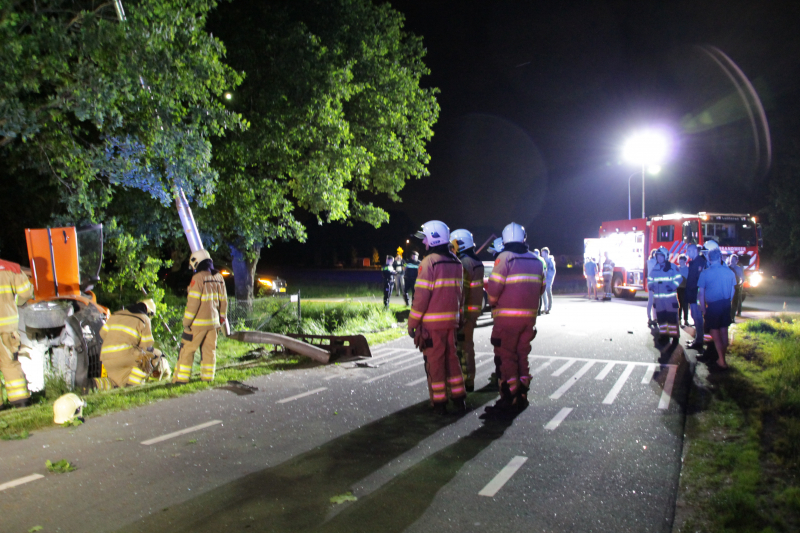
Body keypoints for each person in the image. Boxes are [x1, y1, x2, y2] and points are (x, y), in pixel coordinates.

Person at [484, 222, 544, 418]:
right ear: (523, 238)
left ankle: (510, 397)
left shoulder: (505, 258)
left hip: (507, 320)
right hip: (529, 319)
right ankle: (523, 394)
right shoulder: (536, 260)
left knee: (506, 356)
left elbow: (493, 292)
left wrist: (492, 299)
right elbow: (541, 288)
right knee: (522, 355)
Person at [408, 220, 466, 415]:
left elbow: (421, 298)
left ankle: (439, 403)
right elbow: (461, 294)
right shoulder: (456, 262)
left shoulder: (429, 262)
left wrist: (412, 323)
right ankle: (459, 398)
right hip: (452, 322)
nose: (423, 242)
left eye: (425, 238)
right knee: (452, 358)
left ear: (433, 239)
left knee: (435, 363)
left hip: (432, 325)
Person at [173, 250, 228, 384]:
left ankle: (181, 379)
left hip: (197, 325)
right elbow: (224, 301)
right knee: (209, 351)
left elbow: (193, 304)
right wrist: (221, 318)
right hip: (214, 323)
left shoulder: (198, 278)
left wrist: (186, 322)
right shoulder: (219, 278)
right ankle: (208, 377)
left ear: (196, 263)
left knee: (187, 350)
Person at [94, 299, 167, 390]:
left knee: (116, 382)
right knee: (152, 356)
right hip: (125, 355)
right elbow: (147, 346)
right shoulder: (144, 319)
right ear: (149, 312)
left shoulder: (117, 315)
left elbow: (102, 334)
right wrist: (158, 354)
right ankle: (134, 385)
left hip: (106, 356)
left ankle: (94, 384)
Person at [451, 229, 485, 392]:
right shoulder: (477, 262)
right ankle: (469, 380)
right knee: (468, 346)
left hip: (463, 313)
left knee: (462, 348)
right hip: (473, 311)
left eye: (454, 244)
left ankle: (464, 382)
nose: (452, 247)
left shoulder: (464, 263)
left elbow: (461, 291)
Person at [0, 259, 34, 407]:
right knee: (10, 364)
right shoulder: (11, 268)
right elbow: (26, 292)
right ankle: (20, 401)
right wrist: (17, 303)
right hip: (7, 326)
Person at [698, 248, 737, 369]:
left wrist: (703, 308)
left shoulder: (705, 273)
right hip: (726, 304)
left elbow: (701, 293)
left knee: (714, 333)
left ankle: (721, 361)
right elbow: (733, 290)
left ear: (709, 259)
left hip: (713, 306)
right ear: (720, 257)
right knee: (724, 332)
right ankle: (722, 357)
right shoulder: (729, 272)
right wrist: (728, 301)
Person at [647, 247, 683, 340]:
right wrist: (651, 286)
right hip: (659, 300)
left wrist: (672, 286)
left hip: (670, 300)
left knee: (672, 319)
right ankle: (664, 337)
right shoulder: (655, 268)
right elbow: (650, 279)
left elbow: (679, 278)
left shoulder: (672, 267)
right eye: (658, 256)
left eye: (661, 256)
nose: (659, 258)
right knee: (661, 319)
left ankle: (674, 337)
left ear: (665, 257)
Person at [684, 243, 708, 352]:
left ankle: (699, 341)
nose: (687, 253)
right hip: (693, 294)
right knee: (695, 316)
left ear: (693, 251)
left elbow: (698, 281)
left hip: (696, 294)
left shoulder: (699, 262)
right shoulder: (695, 262)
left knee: (697, 317)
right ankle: (698, 339)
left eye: (688, 251)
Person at [728, 254, 744, 321]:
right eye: (732, 260)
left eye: (734, 260)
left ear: (737, 261)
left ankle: (732, 317)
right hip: (728, 287)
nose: (733, 261)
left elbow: (742, 278)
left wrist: (740, 284)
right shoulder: (727, 267)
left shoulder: (738, 269)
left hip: (736, 287)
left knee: (735, 303)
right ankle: (728, 316)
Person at [541, 247, 556, 314]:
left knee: (548, 291)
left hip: (549, 279)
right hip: (544, 278)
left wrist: (549, 278)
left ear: (546, 253)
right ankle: (545, 307)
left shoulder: (550, 260)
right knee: (543, 292)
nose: (541, 254)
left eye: (543, 253)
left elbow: (553, 270)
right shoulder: (543, 260)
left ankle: (549, 307)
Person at [645, 249, 658, 325]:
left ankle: (654, 318)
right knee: (651, 302)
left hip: (655, 283)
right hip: (652, 283)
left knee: (654, 302)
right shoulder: (650, 262)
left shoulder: (655, 262)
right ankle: (650, 318)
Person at [677, 254, 690, 326]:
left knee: (685, 304)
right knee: (680, 304)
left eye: (682, 260)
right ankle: (679, 319)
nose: (681, 262)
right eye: (680, 260)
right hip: (679, 288)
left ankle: (686, 320)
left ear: (685, 261)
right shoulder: (677, 268)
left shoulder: (688, 269)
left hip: (686, 288)